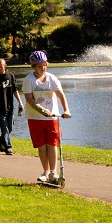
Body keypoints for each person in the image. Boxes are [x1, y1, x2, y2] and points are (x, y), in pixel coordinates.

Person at [22, 50, 72, 183]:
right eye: (39, 66)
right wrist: (42, 110)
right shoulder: (29, 80)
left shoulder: (52, 78)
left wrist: (66, 110)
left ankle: (53, 173)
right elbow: (29, 99)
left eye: (44, 65)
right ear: (34, 67)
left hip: (52, 118)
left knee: (52, 145)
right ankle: (45, 171)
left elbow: (61, 95)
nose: (42, 68)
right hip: (35, 118)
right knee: (42, 146)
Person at [0, 58, 24, 155]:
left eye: (1, 67)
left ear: (5, 66)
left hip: (10, 106)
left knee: (10, 128)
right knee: (5, 128)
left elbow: (15, 90)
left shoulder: (10, 76)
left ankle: (1, 139)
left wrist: (20, 102)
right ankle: (8, 146)